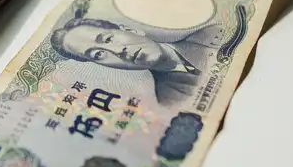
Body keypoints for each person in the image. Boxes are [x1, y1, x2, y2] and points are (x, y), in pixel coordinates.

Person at [49, 17, 226, 106]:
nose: (118, 51)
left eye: (108, 39)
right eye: (98, 55)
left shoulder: (217, 35)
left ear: (129, 30)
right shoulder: (170, 100)